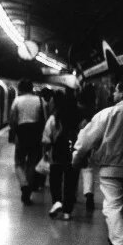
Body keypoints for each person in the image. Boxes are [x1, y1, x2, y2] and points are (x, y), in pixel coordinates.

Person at [72, 79, 123, 245]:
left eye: (115, 91)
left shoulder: (108, 113)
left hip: (110, 167)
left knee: (112, 206)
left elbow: (85, 140)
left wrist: (76, 159)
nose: (113, 95)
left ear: (122, 92)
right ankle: (115, 239)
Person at [42, 90, 81, 220]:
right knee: (71, 182)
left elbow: (46, 138)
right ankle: (67, 212)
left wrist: (46, 153)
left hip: (57, 154)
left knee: (55, 180)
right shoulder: (79, 119)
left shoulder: (54, 118)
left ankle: (57, 202)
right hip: (74, 154)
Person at [9, 78, 46, 205]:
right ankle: (28, 190)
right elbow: (45, 119)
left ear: (20, 89)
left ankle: (24, 184)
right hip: (36, 135)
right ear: (31, 88)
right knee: (31, 163)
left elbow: (13, 119)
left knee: (18, 162)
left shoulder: (17, 101)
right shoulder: (40, 101)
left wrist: (13, 133)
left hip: (22, 134)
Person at [76, 84, 98, 211]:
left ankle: (71, 195)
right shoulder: (94, 111)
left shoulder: (76, 109)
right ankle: (89, 195)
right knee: (87, 169)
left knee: (73, 169)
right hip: (89, 141)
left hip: (76, 141)